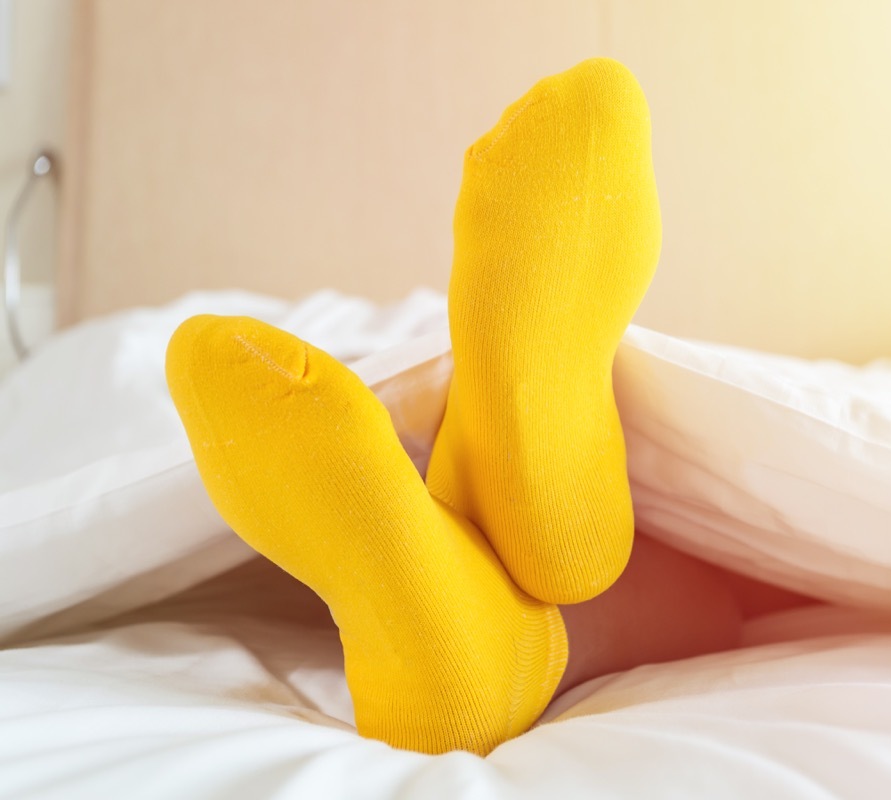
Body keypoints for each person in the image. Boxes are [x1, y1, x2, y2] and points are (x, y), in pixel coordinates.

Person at [165, 58, 806, 757]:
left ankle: (479, 563)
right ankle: (496, 489)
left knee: (456, 568)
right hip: (693, 578)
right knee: (732, 590)